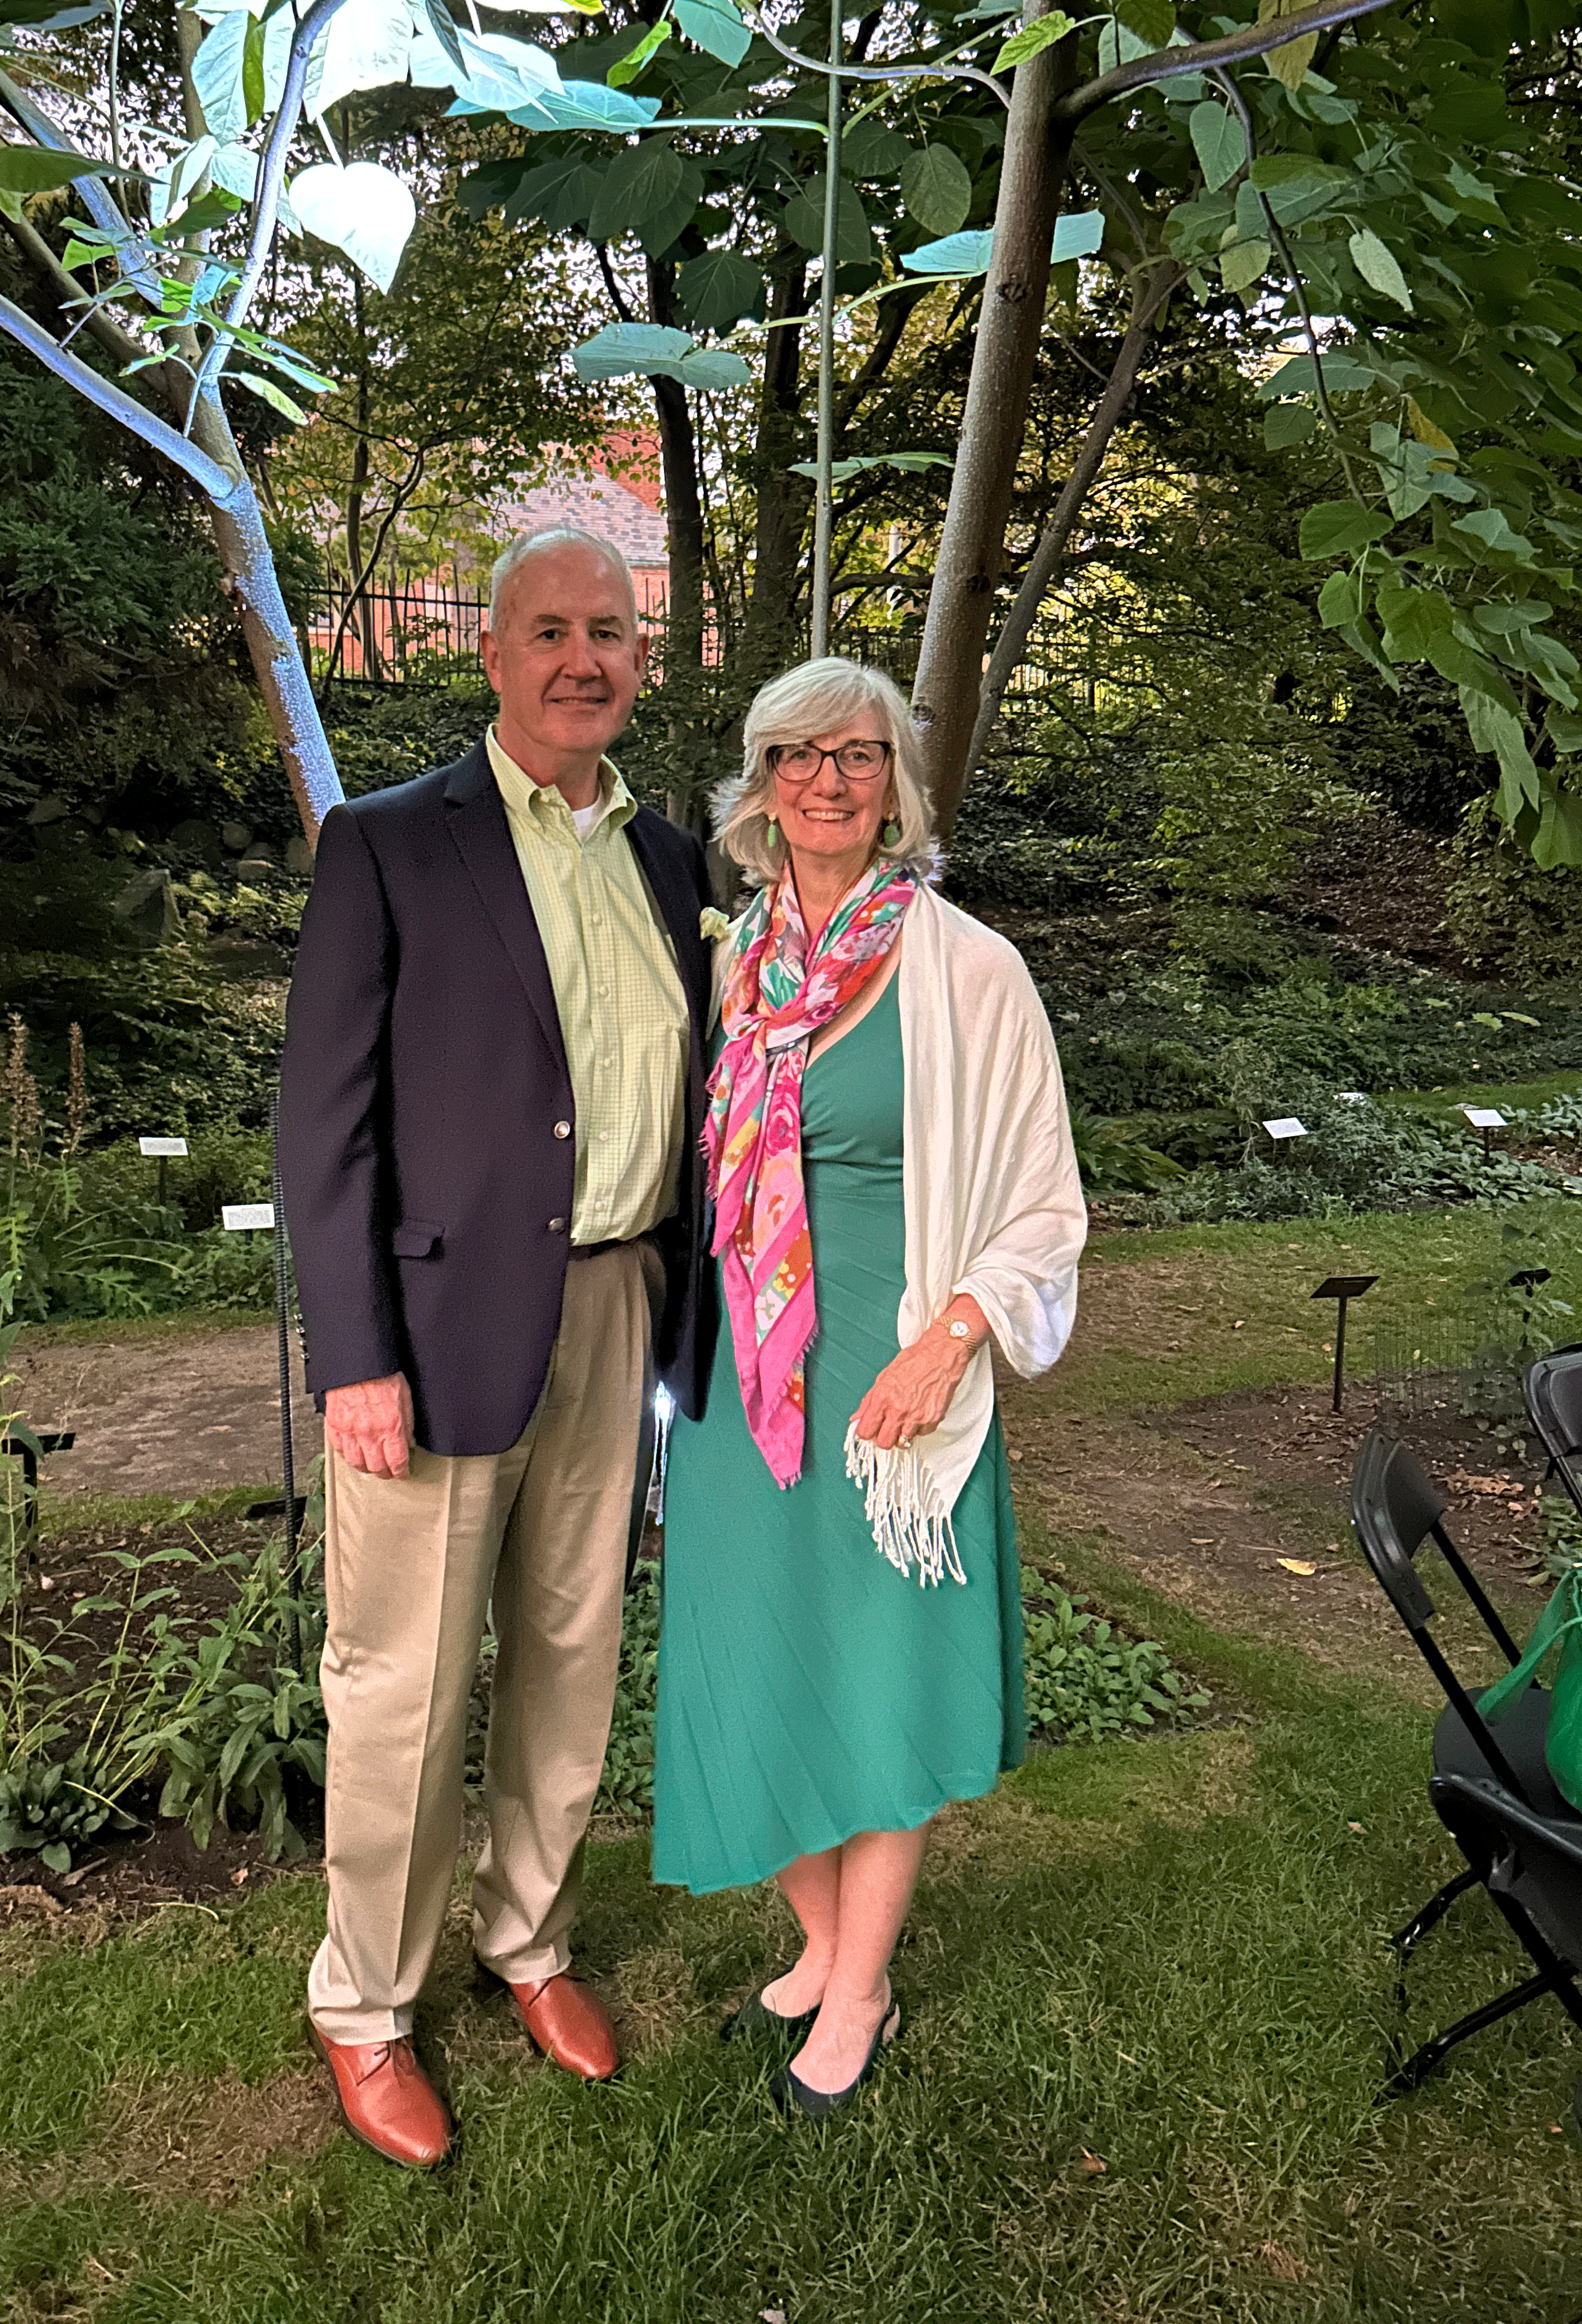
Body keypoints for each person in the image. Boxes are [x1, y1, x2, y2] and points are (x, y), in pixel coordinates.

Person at [278, 525, 714, 2167]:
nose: (581, 658)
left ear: (642, 657)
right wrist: (354, 1356)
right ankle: (367, 2005)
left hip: (615, 1306)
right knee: (401, 1683)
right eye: (550, 629)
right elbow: (323, 1128)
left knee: (571, 1653)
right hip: (434, 1329)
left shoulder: (675, 866)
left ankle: (527, 1938)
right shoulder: (391, 844)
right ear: (495, 654)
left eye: (609, 629)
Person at [652, 657, 1085, 2118]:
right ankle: (834, 1948)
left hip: (892, 1371)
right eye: (798, 755)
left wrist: (950, 1339)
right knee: (743, 1663)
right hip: (741, 1378)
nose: (828, 781)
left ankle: (857, 1991)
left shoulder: (970, 971)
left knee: (881, 1672)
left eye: (859, 754)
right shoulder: (730, 967)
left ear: (897, 782)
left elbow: (1044, 1207)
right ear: (761, 786)